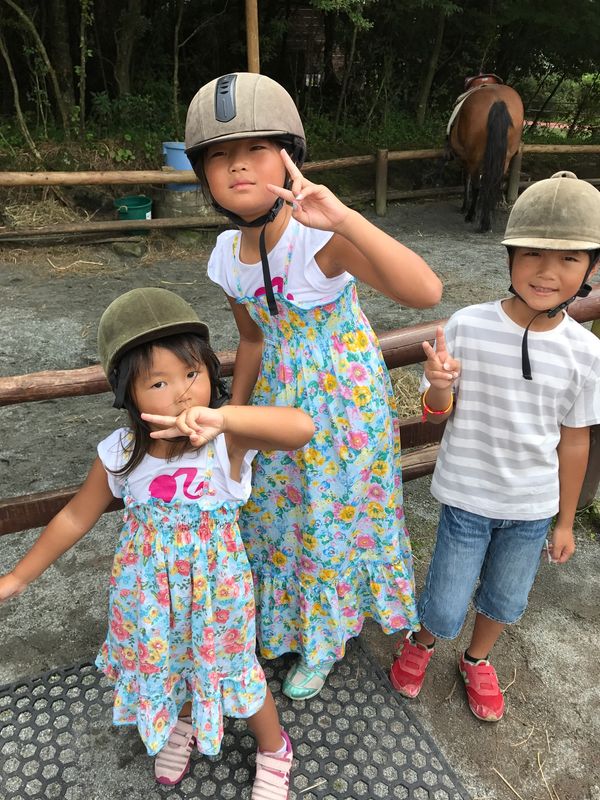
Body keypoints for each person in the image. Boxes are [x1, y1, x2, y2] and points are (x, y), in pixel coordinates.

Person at [184, 72, 443, 700]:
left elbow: (426, 291)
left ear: (288, 158)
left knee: (330, 513)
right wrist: (231, 420)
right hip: (274, 397)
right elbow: (250, 339)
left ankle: (325, 640)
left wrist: (347, 219)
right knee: (279, 515)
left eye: (253, 150)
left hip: (341, 402)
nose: (237, 167)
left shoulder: (319, 238)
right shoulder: (225, 254)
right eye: (219, 157)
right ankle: (285, 622)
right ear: (205, 177)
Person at [0, 287, 315, 796]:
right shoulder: (122, 452)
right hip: (149, 598)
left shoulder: (227, 441)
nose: (184, 393)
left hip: (218, 595)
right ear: (129, 394)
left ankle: (274, 747)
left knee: (235, 667)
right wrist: (15, 577)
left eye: (192, 374)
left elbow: (300, 427)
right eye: (159, 382)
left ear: (210, 371)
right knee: (173, 665)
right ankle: (183, 723)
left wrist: (226, 415)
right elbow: (75, 518)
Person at [390, 171, 600, 722]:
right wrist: (439, 384)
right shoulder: (467, 326)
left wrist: (564, 520)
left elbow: (575, 442)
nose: (547, 272)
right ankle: (425, 639)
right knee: (444, 599)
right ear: (508, 259)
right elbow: (436, 414)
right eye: (531, 254)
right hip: (467, 496)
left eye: (569, 259)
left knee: (507, 600)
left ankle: (478, 658)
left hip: (532, 508)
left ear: (591, 269)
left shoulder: (585, 353)